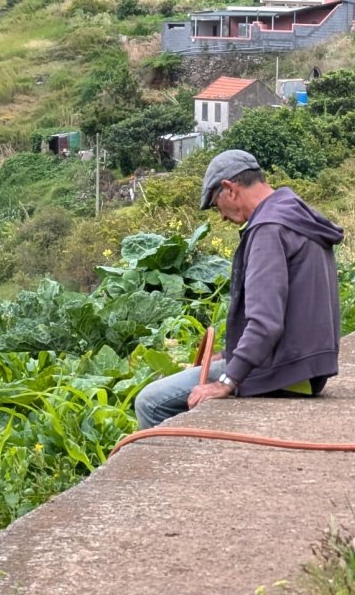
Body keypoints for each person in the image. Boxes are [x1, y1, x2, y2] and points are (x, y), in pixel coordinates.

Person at [134, 148, 344, 428]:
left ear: (229, 189)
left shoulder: (268, 229)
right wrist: (229, 355)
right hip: (307, 367)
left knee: (150, 401)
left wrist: (227, 380)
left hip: (282, 372)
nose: (220, 216)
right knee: (191, 378)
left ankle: (180, 467)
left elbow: (266, 323)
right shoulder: (294, 212)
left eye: (215, 204)